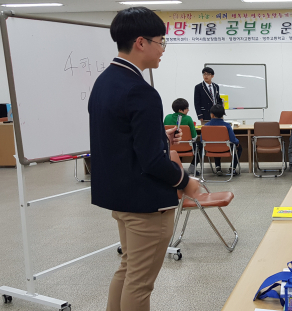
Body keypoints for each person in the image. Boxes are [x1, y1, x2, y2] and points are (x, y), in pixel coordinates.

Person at [88, 7, 199, 311]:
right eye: (161, 42)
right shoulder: (141, 91)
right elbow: (151, 162)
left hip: (120, 197)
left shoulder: (104, 82)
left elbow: (117, 139)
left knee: (127, 271)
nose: (163, 49)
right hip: (146, 204)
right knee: (140, 283)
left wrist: (159, 137)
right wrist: (186, 182)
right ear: (141, 42)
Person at [163, 98, 201, 175]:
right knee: (200, 145)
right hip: (186, 147)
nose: (188, 110)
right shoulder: (188, 118)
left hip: (171, 146)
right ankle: (192, 167)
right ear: (180, 110)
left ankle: (177, 167)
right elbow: (194, 137)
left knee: (179, 146)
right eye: (187, 108)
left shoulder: (167, 117)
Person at [203, 104, 242, 175]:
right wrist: (237, 142)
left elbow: (202, 139)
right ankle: (232, 168)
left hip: (211, 149)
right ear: (223, 115)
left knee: (214, 144)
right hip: (226, 148)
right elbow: (233, 140)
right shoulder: (227, 126)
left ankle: (218, 167)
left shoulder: (205, 126)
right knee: (239, 147)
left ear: (211, 115)